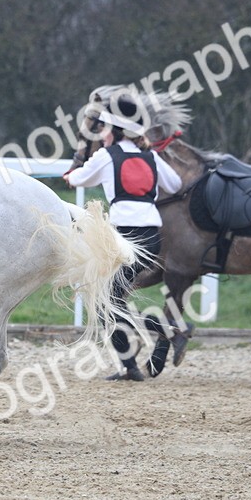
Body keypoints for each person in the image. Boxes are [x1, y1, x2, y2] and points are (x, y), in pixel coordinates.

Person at [64, 91, 183, 381]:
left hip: (125, 240)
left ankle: (163, 332)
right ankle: (131, 366)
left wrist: (71, 172)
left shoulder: (106, 155)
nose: (102, 134)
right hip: (152, 238)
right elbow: (176, 184)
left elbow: (76, 179)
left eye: (105, 129)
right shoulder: (151, 156)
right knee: (110, 302)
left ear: (114, 132)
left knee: (106, 303)